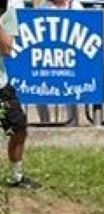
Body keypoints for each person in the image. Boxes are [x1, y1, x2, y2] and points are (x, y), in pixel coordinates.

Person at [0, 0, 37, 189]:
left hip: (0, 84)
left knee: (19, 127)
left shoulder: (7, 11)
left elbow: (6, 49)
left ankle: (17, 176)